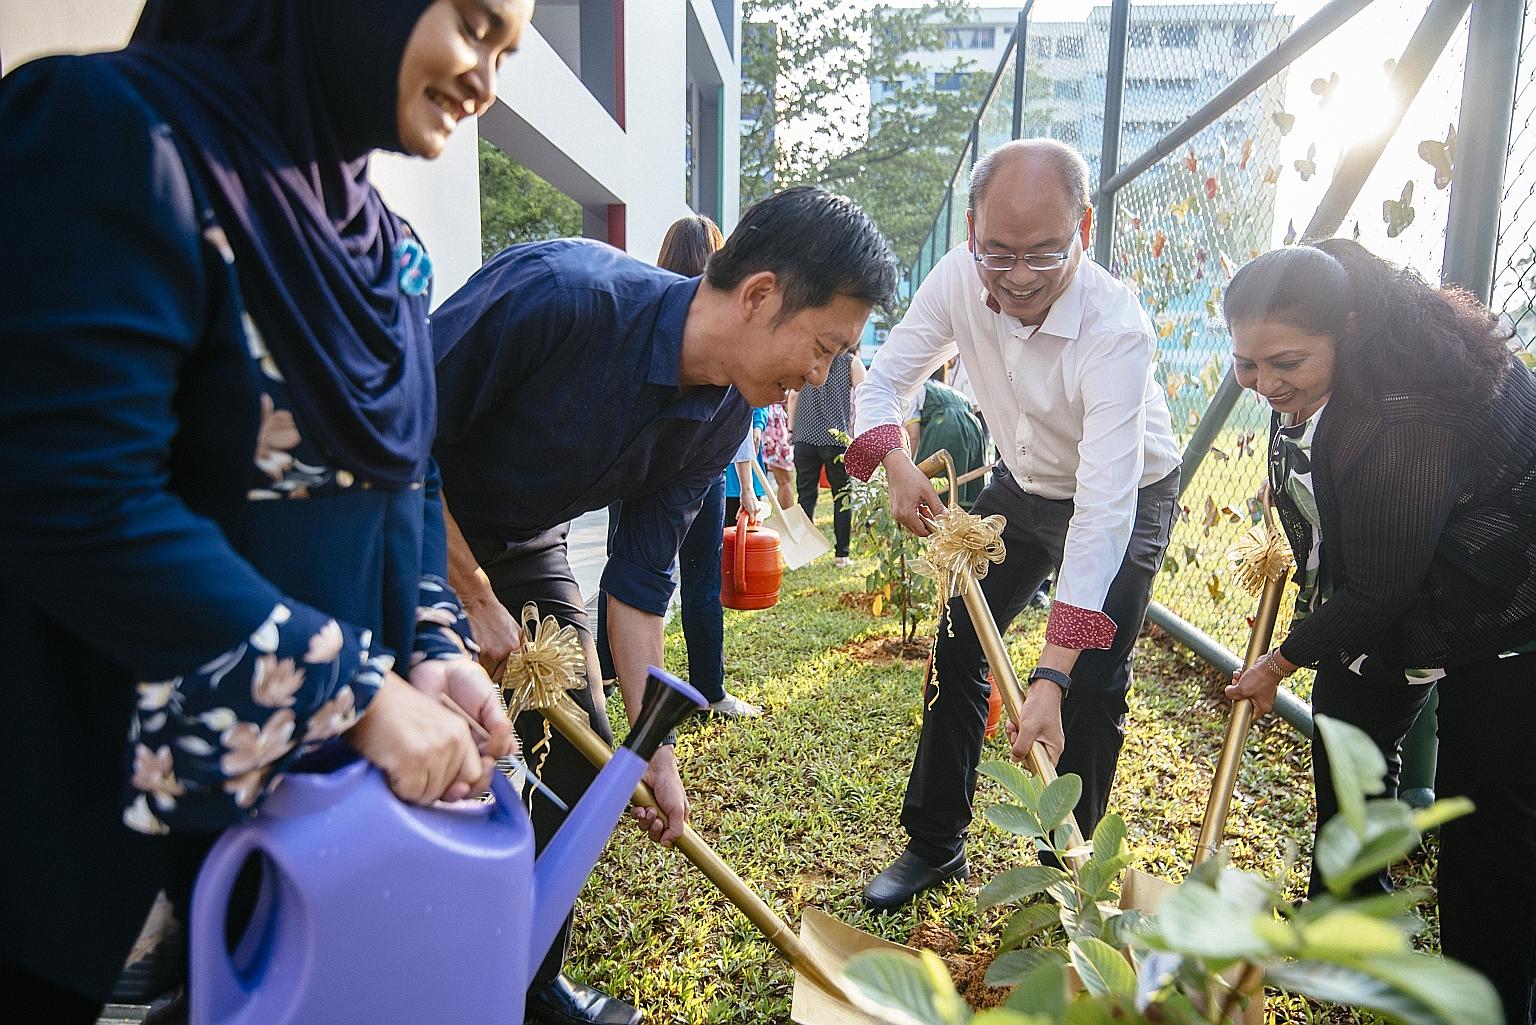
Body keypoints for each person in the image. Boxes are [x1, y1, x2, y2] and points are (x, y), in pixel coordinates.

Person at [0, 1, 528, 1019]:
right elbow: (73, 496)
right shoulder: (111, 135)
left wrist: (430, 644)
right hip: (93, 824)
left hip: (304, 836)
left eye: (505, 53)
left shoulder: (390, 254)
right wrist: (359, 690)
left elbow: (404, 481)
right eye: (473, 23)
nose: (486, 80)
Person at [431, 187, 896, 1025]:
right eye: (823, 347)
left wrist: (654, 750)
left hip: (526, 544)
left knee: (581, 753)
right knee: (387, 755)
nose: (818, 377)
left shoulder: (723, 417)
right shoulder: (561, 296)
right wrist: (469, 593)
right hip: (404, 522)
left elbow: (639, 586)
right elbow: (383, 441)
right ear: (758, 295)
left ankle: (526, 981)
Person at [845, 139, 1180, 910]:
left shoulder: (1115, 330)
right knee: (959, 645)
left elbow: (1101, 516)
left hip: (1125, 497)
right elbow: (886, 380)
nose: (1018, 277)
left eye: (1043, 254)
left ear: (1085, 230)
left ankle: (1064, 879)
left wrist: (1051, 672)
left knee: (1090, 688)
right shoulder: (960, 278)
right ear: (972, 231)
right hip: (1020, 488)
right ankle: (935, 842)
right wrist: (894, 459)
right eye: (998, 253)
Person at [1223, 239, 1536, 1025]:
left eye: (1284, 363)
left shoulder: (1405, 417)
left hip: (1512, 592)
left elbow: (1380, 587)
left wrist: (1278, 662)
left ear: (1350, 330)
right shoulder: (1325, 305)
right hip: (1422, 556)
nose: (1265, 384)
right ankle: (1348, 923)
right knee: (1347, 729)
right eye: (1246, 366)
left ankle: (1487, 998)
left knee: (1485, 814)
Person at [594, 214, 763, 721]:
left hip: (635, 464)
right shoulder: (715, 320)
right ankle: (709, 688)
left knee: (621, 568)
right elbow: (732, 416)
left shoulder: (654, 314)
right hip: (695, 471)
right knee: (699, 578)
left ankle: (606, 670)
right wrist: (747, 485)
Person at [789, 349, 865, 566]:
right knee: (842, 496)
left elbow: (793, 395)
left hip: (804, 436)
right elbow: (864, 396)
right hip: (836, 439)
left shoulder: (806, 357)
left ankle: (805, 556)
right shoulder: (851, 363)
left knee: (805, 496)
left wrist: (791, 429)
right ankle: (842, 555)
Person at [904, 373, 988, 509]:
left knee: (930, 476)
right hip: (973, 427)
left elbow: (913, 434)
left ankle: (939, 517)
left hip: (947, 425)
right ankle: (969, 519)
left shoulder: (913, 390)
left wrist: (908, 468)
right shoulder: (945, 388)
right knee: (967, 484)